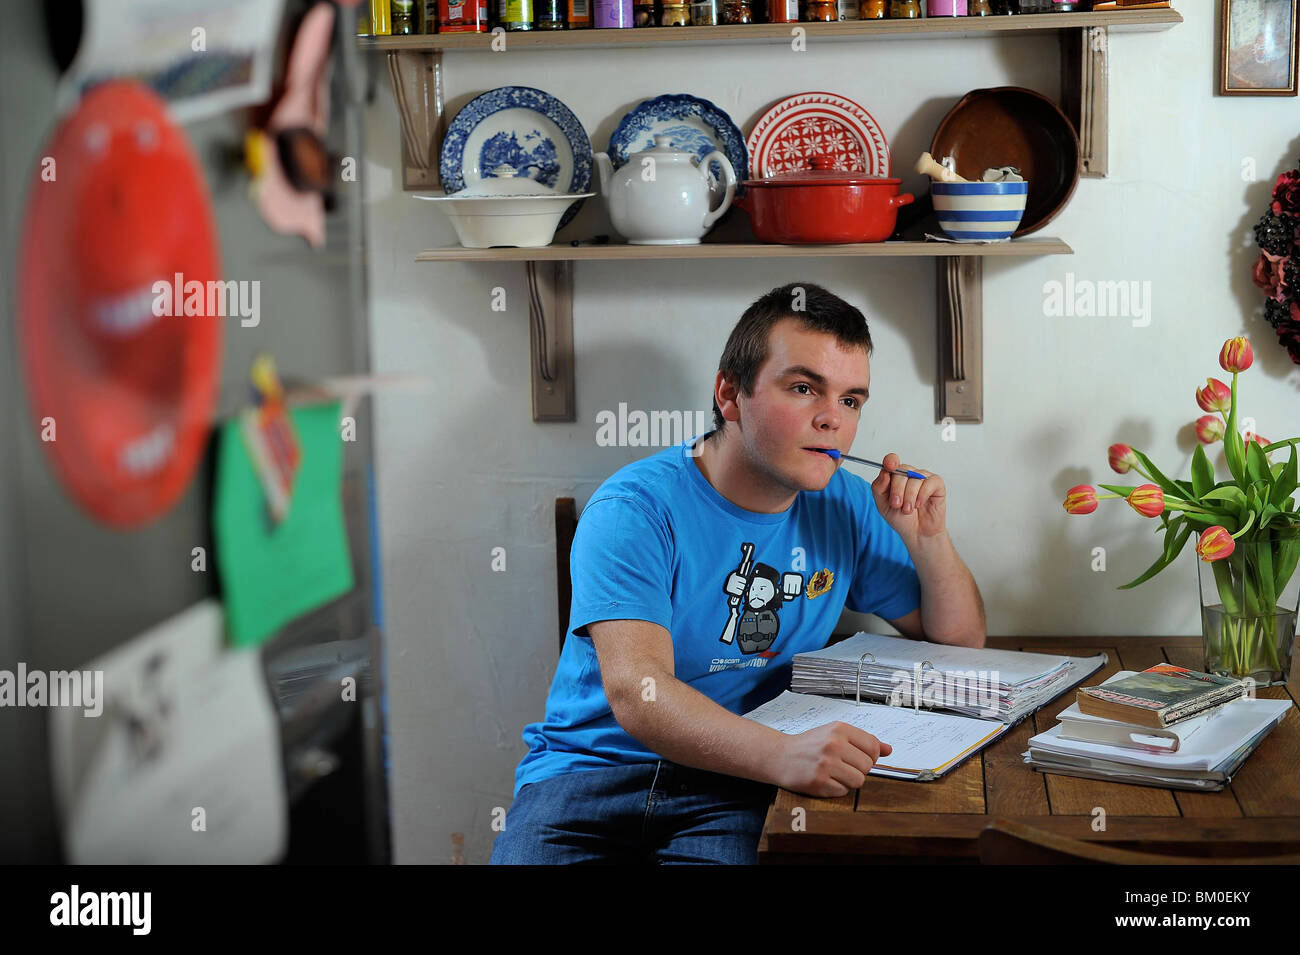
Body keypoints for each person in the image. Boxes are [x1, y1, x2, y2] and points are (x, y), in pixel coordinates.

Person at [490, 282, 985, 865]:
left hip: (731, 785)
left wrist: (927, 541)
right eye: (804, 388)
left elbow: (959, 640)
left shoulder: (847, 505)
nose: (832, 420)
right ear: (730, 394)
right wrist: (784, 756)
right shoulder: (634, 510)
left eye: (852, 401)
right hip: (589, 777)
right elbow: (639, 694)